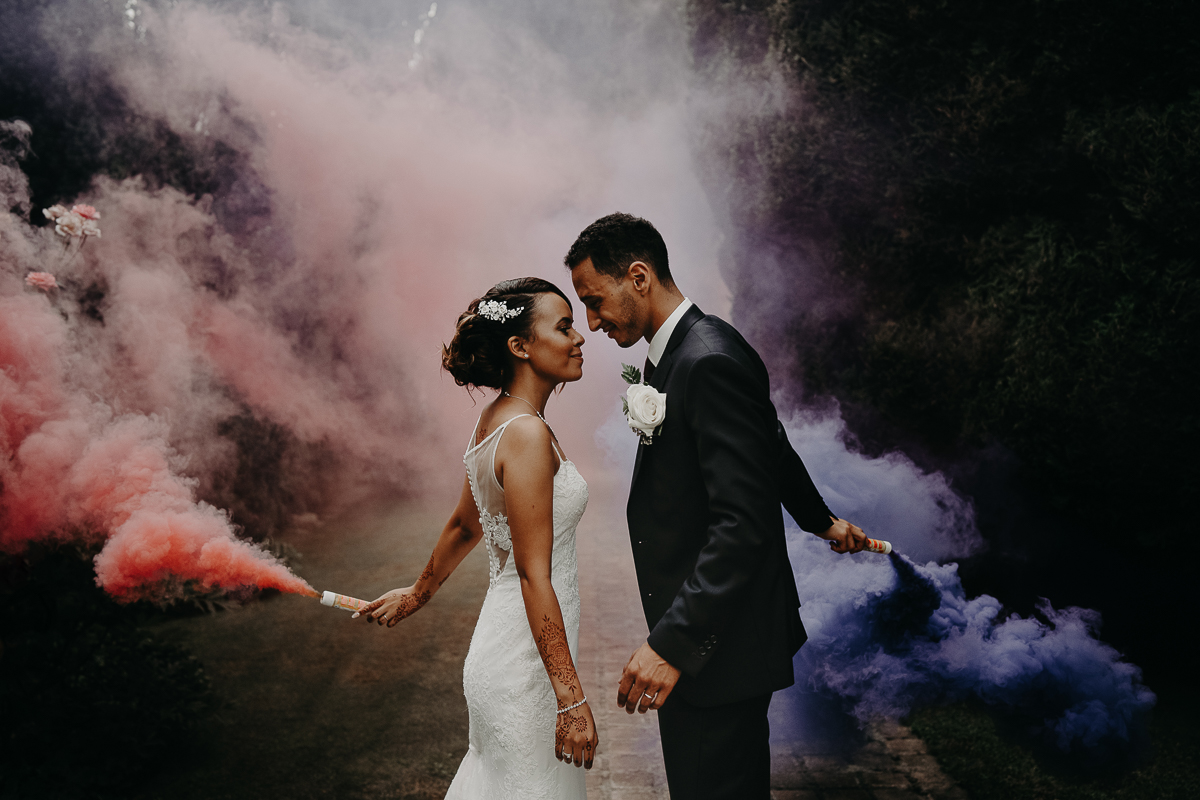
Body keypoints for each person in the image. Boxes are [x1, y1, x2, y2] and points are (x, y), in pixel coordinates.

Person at [565, 213, 868, 798]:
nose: (592, 322)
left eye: (595, 302)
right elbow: (771, 444)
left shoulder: (704, 361)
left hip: (715, 653)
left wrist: (668, 644)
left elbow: (741, 524)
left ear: (639, 277)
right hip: (714, 650)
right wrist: (821, 520)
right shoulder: (689, 349)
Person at [358, 277, 597, 798]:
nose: (580, 338)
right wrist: (571, 697)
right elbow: (535, 574)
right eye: (563, 327)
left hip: (505, 647)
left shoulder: (496, 421)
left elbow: (466, 525)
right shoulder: (527, 433)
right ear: (520, 346)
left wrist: (415, 595)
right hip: (525, 666)